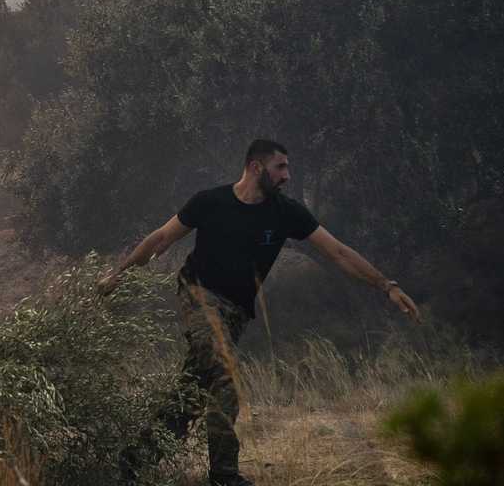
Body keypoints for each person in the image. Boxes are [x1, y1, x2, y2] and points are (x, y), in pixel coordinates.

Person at [96, 139, 420, 486]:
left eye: (288, 168)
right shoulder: (210, 202)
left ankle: (133, 461)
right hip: (198, 294)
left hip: (236, 312)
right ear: (255, 167)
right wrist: (118, 274)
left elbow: (338, 252)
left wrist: (386, 285)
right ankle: (224, 476)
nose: (287, 176)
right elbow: (161, 238)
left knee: (191, 392)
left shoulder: (286, 213)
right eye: (281, 167)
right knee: (225, 374)